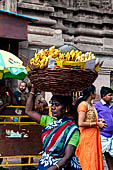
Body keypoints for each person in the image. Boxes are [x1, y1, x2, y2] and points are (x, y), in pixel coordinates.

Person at [25, 84, 82, 170]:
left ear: (66, 108)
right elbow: (29, 111)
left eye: (57, 105)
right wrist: (33, 89)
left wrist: (54, 168)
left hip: (63, 166)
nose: (53, 107)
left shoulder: (72, 129)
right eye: (52, 104)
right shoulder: (49, 121)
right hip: (46, 163)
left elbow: (67, 157)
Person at [75, 85, 107, 170]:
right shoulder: (83, 105)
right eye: (95, 92)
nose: (96, 94)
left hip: (93, 136)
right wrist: (97, 123)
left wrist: (99, 121)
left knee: (93, 157)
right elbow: (80, 123)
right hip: (86, 137)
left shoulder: (91, 105)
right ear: (91, 93)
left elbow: (89, 118)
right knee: (87, 158)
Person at [13, 81, 36, 170]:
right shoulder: (18, 94)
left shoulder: (31, 95)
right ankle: (24, 163)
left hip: (30, 121)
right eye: (21, 86)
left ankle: (30, 163)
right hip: (21, 120)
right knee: (23, 141)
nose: (22, 87)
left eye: (24, 86)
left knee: (31, 142)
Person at [93, 86, 113, 170]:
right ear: (104, 96)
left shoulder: (111, 106)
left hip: (111, 135)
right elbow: (91, 117)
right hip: (102, 134)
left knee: (110, 156)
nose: (111, 97)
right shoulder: (96, 105)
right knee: (99, 155)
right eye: (110, 95)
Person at [0, 79, 17, 170]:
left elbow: (14, 102)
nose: (4, 89)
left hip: (3, 124)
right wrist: (5, 105)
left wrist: (9, 90)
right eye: (4, 87)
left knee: (3, 144)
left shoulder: (5, 96)